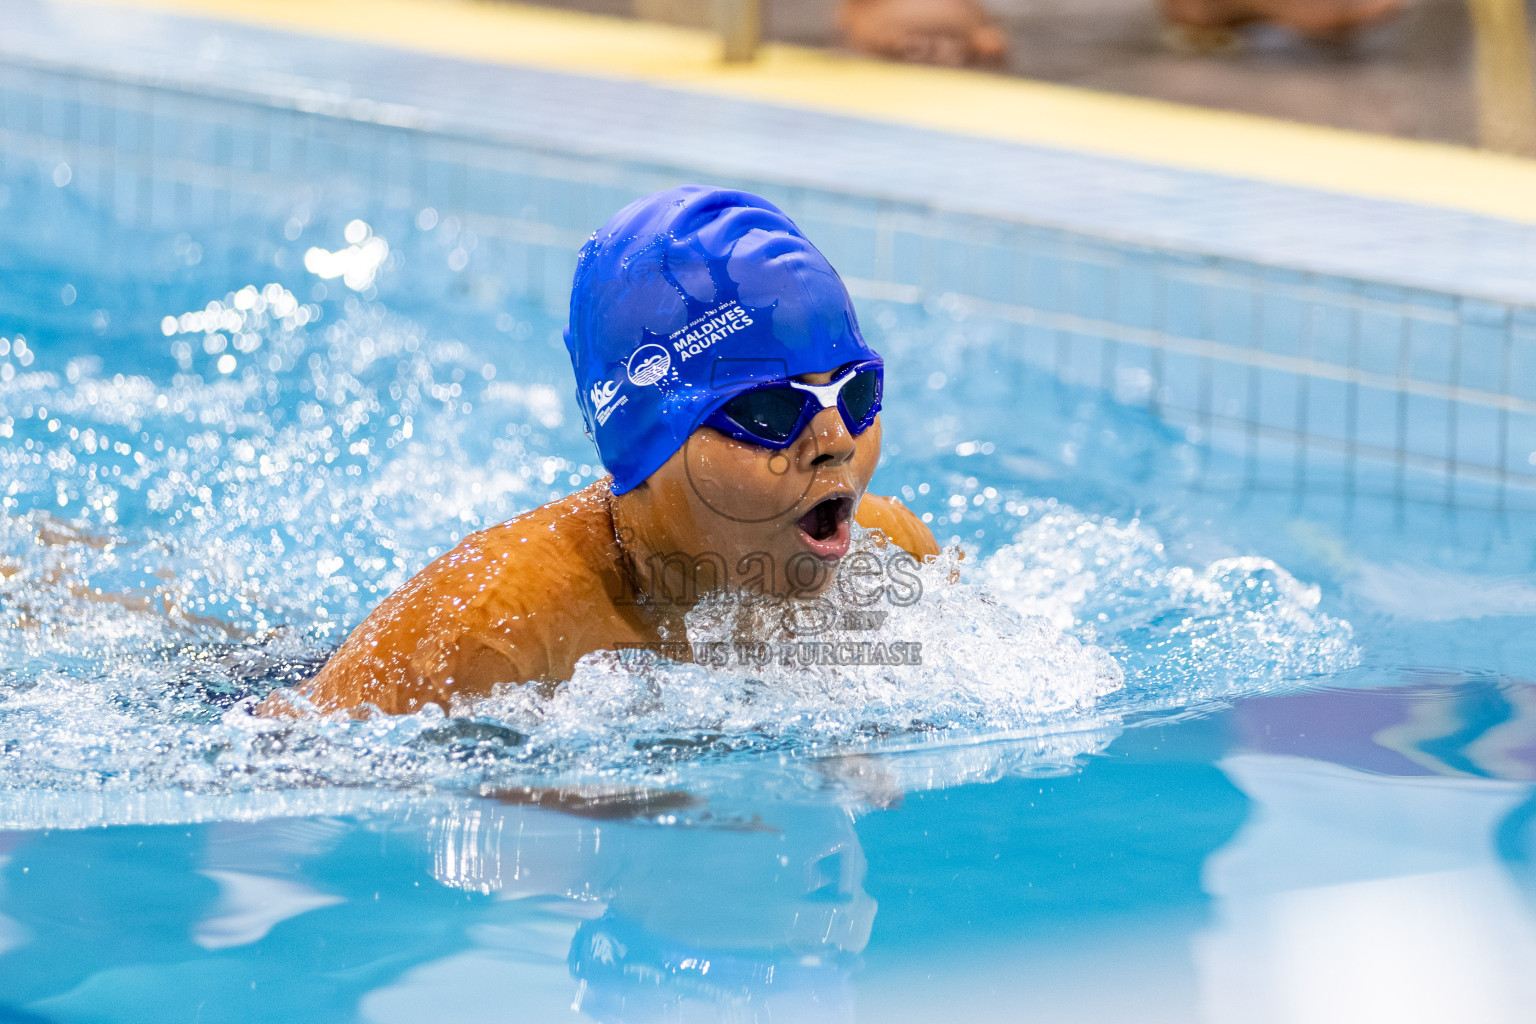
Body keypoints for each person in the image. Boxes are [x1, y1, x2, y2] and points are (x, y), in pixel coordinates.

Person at [297, 186, 939, 716]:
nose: (833, 444)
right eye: (769, 412)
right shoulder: (490, 637)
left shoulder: (892, 556)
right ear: (645, 443)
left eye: (855, 393)